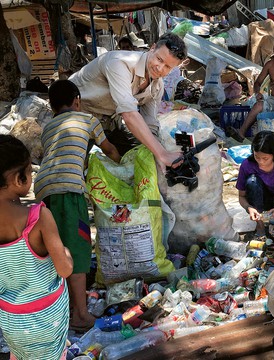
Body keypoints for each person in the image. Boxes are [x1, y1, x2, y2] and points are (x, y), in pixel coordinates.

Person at [34, 80, 121, 332]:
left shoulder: (48, 127)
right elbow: (110, 149)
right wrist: (123, 169)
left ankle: (65, 309)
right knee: (78, 248)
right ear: (77, 101)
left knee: (55, 249)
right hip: (68, 190)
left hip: (43, 190)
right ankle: (81, 315)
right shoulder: (87, 119)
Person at [0, 135, 73, 360]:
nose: (32, 176)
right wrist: (67, 255)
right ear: (17, 178)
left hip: (11, 320)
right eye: (29, 171)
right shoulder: (39, 216)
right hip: (48, 318)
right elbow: (64, 270)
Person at [69, 32, 186, 169]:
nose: (160, 68)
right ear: (152, 48)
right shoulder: (119, 63)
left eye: (167, 67)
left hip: (106, 124)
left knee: (137, 158)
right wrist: (162, 154)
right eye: (159, 59)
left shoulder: (157, 87)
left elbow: (151, 125)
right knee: (74, 171)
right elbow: (129, 114)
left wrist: (159, 155)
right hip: (74, 118)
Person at [232, 36, 274, 141]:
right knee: (258, 105)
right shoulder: (270, 64)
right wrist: (257, 93)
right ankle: (241, 133)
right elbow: (258, 82)